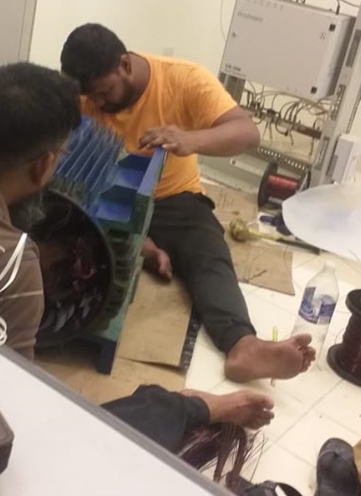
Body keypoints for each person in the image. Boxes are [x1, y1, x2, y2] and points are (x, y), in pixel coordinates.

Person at [0, 61, 274, 449]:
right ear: (43, 167)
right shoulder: (9, 264)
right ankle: (187, 407)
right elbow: (8, 408)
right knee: (117, 421)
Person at [60, 24, 316, 383]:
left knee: (207, 253)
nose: (98, 104)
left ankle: (243, 346)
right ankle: (143, 248)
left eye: (104, 93)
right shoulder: (82, 95)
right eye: (91, 97)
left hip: (171, 197)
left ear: (124, 64)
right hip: (99, 196)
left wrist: (189, 139)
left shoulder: (183, 79)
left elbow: (246, 133)